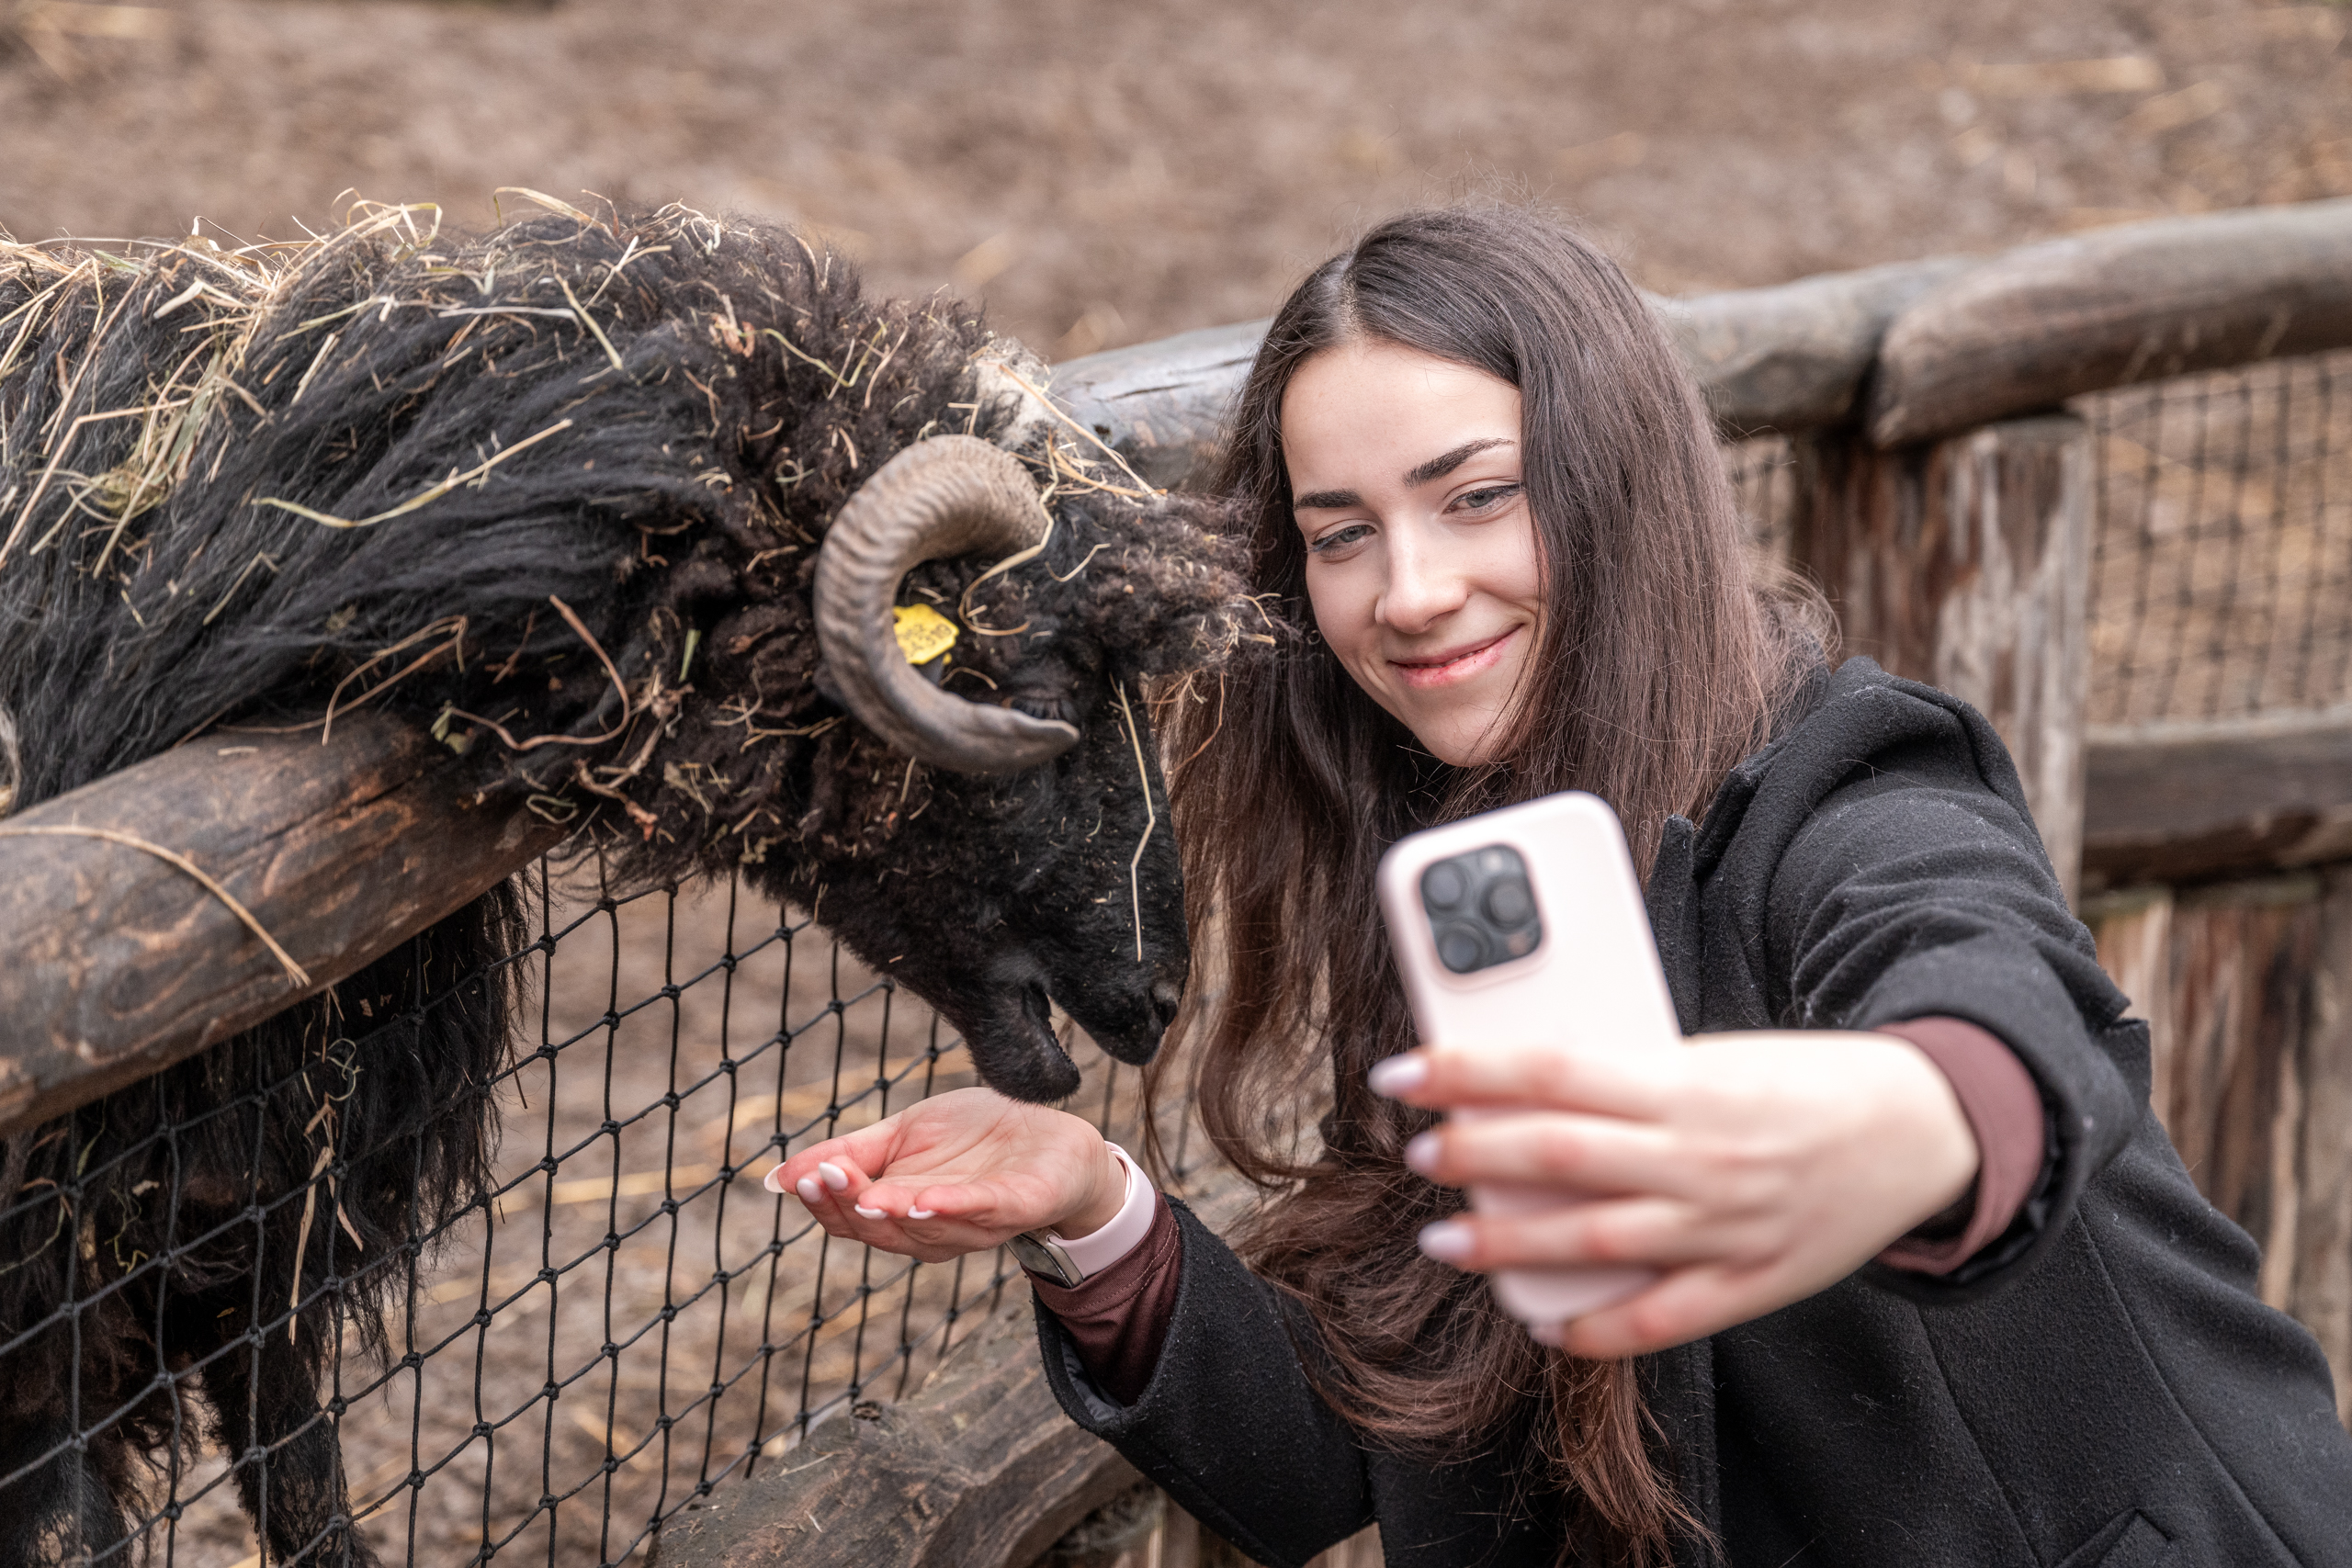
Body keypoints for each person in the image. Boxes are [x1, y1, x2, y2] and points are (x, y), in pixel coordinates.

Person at [763, 208, 2352, 1567]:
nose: (1412, 590)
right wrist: (1090, 1209)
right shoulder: (1458, 886)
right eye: (1340, 533)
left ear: (1619, 479)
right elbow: (1349, 1458)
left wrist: (1908, 1122)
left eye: (1478, 494)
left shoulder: (1848, 791)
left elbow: (2002, 1002)